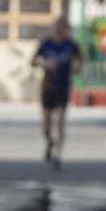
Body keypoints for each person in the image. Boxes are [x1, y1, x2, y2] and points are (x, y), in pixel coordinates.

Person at [32, 16, 81, 168]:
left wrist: (75, 68)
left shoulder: (71, 45)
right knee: (46, 124)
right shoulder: (46, 44)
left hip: (63, 87)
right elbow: (33, 61)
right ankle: (49, 141)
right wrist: (45, 64)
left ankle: (57, 154)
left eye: (62, 28)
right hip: (48, 87)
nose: (59, 31)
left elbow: (79, 62)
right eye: (57, 28)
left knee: (60, 120)